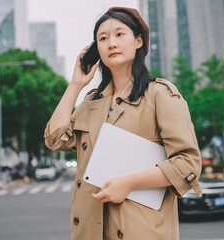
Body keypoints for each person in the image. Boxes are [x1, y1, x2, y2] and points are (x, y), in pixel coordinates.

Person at [45, 7, 202, 240]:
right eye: (103, 38)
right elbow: (56, 138)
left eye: (120, 34)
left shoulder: (160, 94)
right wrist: (76, 84)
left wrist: (129, 182)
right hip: (91, 231)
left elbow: (188, 163)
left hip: (141, 230)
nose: (111, 43)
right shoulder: (91, 103)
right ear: (95, 49)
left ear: (138, 41)